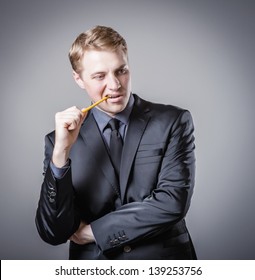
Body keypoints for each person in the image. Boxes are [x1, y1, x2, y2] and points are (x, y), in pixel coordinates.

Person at [35, 25, 197, 260]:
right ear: (78, 79)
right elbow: (53, 232)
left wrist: (94, 232)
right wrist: (60, 153)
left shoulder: (173, 121)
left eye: (121, 71)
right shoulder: (57, 141)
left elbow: (172, 202)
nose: (115, 85)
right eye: (100, 76)